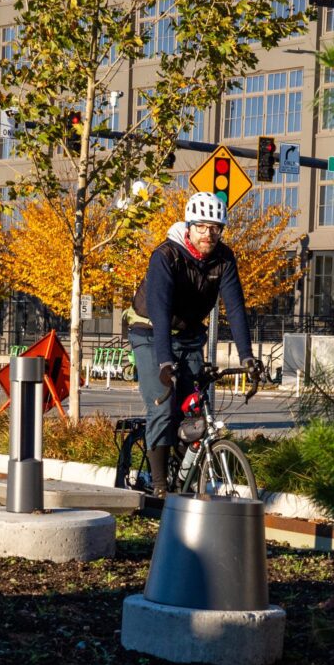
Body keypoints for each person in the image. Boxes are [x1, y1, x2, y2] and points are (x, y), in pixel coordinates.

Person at [126, 191, 263, 496]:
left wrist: (247, 358)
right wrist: (164, 363)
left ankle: (184, 474)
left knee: (194, 409)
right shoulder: (166, 256)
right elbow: (160, 315)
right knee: (163, 405)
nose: (208, 234)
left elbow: (236, 308)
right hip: (150, 333)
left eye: (215, 228)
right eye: (201, 226)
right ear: (189, 226)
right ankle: (160, 488)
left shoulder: (224, 259)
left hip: (189, 337)